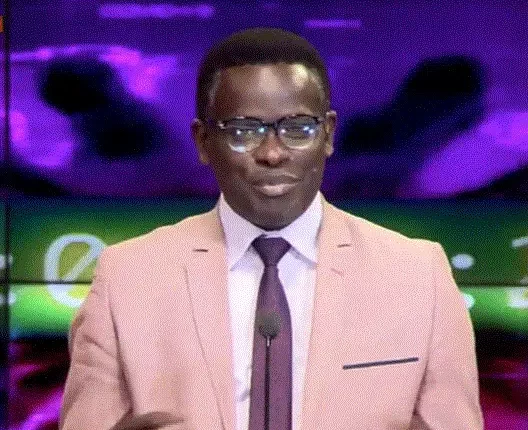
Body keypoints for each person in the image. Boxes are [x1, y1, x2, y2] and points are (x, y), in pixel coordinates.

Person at [59, 28, 483, 430]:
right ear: (203, 141)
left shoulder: (418, 274)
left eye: (298, 129)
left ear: (329, 134)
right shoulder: (127, 276)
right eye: (243, 131)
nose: (273, 153)